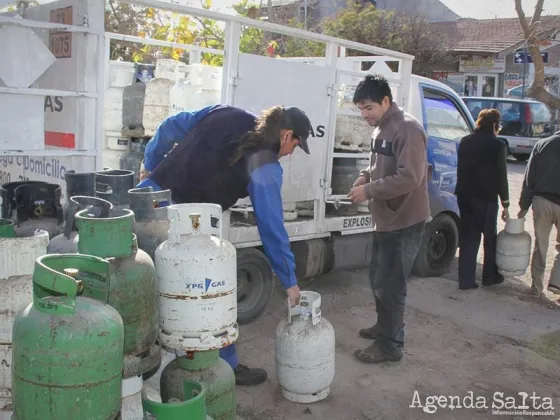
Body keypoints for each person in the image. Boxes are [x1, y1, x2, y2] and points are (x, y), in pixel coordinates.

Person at [137, 104, 312, 386]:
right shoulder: (265, 165)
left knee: (140, 288)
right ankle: (222, 367)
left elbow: (171, 125)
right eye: (295, 144)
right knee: (210, 295)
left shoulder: (224, 112)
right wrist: (289, 279)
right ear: (286, 134)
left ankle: (139, 368)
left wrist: (150, 166)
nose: (291, 152)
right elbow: (272, 227)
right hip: (184, 224)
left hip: (146, 203)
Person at [348, 74, 430, 364]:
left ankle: (390, 345)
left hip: (404, 221)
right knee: (378, 279)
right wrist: (363, 177)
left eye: (369, 108)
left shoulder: (407, 129)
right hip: (384, 219)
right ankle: (384, 328)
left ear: (386, 100)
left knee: (392, 286)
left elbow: (410, 177)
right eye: (361, 109)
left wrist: (368, 190)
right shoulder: (380, 128)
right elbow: (377, 167)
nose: (365, 115)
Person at [454, 109, 510, 290]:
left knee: (469, 237)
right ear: (495, 125)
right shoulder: (498, 145)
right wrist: (506, 203)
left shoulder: (465, 141)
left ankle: (466, 281)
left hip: (464, 196)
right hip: (486, 198)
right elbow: (502, 176)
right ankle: (489, 277)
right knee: (489, 238)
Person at [518, 129, 560, 301]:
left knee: (540, 246)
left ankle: (536, 287)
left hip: (541, 201)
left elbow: (529, 178)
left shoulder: (542, 144)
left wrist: (523, 206)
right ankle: (557, 285)